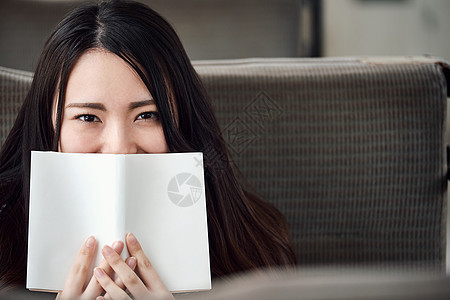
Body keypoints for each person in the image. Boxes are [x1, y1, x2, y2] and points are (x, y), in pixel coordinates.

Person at [0, 0, 297, 298]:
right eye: (87, 117)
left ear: (182, 120)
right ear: (47, 126)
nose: (119, 149)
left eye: (147, 115)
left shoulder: (253, 244)